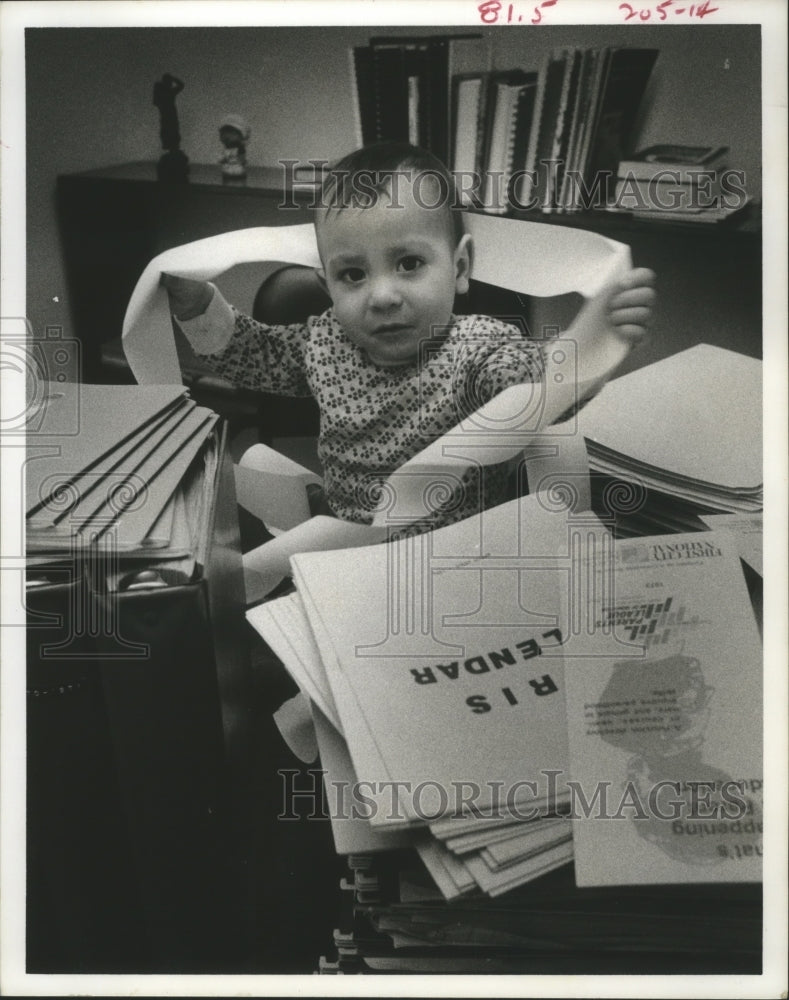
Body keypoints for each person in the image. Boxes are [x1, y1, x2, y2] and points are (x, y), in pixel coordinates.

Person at [163, 142, 656, 529]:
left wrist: (596, 340)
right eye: (353, 274)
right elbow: (249, 354)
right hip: (348, 540)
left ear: (460, 268)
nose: (382, 295)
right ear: (327, 286)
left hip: (456, 554)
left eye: (409, 264)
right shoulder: (325, 343)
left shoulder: (477, 349)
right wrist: (195, 304)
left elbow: (540, 389)